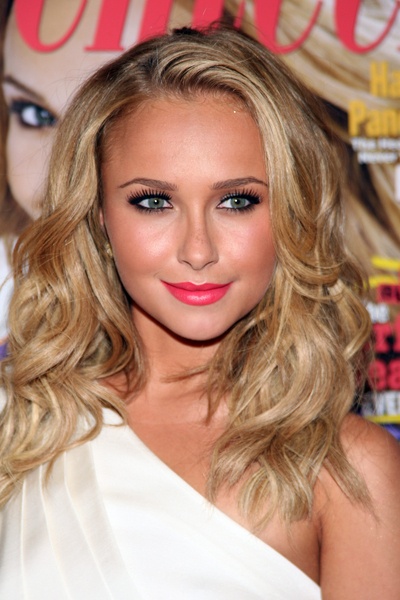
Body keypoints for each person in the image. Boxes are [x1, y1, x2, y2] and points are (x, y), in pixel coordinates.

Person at [1, 24, 400, 599]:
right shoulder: (19, 423)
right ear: (98, 215)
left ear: (290, 215)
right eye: (153, 201)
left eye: (236, 201)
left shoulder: (347, 468)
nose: (197, 250)